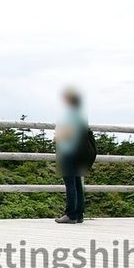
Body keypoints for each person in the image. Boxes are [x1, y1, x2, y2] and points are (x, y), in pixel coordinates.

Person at [54, 87, 88, 223]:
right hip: (79, 151)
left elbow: (68, 132)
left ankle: (70, 214)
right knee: (77, 182)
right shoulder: (81, 115)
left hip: (68, 150)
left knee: (70, 184)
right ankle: (79, 214)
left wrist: (58, 138)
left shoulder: (69, 115)